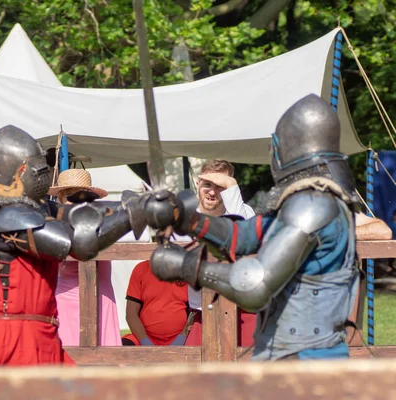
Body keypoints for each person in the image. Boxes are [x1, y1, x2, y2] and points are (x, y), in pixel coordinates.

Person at [142, 94, 362, 361]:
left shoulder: (312, 205)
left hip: (306, 359)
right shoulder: (303, 203)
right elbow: (240, 235)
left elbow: (256, 286)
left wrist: (188, 267)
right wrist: (184, 219)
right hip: (288, 354)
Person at [0, 125, 144, 368]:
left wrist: (137, 204)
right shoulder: (4, 218)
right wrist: (133, 215)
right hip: (8, 339)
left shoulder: (26, 210)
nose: (42, 173)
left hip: (41, 335)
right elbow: (78, 244)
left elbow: (77, 214)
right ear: (19, 170)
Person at [184, 159, 256, 348]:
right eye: (207, 184)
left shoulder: (243, 211)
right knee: (194, 375)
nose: (212, 192)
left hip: (243, 312)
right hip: (202, 312)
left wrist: (231, 185)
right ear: (198, 184)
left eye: (221, 186)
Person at [49, 169, 121, 347]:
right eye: (70, 195)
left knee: (105, 356)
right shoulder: (55, 225)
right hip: (65, 300)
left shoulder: (103, 220)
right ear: (61, 199)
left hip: (100, 297)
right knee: (66, 357)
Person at [122, 260, 189, 346]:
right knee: (122, 347)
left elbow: (195, 313)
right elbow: (131, 314)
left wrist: (181, 339)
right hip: (143, 338)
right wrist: (146, 342)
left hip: (184, 338)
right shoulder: (141, 269)